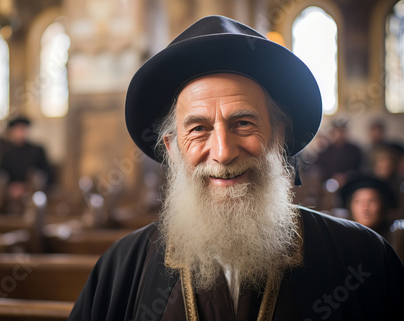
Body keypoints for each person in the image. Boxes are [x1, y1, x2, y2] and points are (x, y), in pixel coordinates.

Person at [68, 16, 403, 320]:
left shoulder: (362, 258)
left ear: (278, 137)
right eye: (198, 129)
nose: (224, 153)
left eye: (243, 123)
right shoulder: (121, 268)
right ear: (172, 150)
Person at [0, 116, 53, 200]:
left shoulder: (37, 150)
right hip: (12, 191)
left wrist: (27, 186)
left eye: (23, 129)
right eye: (18, 129)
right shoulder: (6, 152)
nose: (20, 132)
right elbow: (2, 172)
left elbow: (46, 172)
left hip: (33, 190)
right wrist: (11, 186)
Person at [340, 174, 397, 241]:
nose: (365, 208)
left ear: (382, 205)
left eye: (371, 201)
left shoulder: (395, 237)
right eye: (358, 201)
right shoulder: (342, 238)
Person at [313, 118, 363, 187]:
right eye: (337, 131)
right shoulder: (325, 149)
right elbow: (318, 168)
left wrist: (346, 176)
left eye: (342, 131)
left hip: (350, 185)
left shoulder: (354, 150)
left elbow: (359, 169)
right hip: (327, 186)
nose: (339, 134)